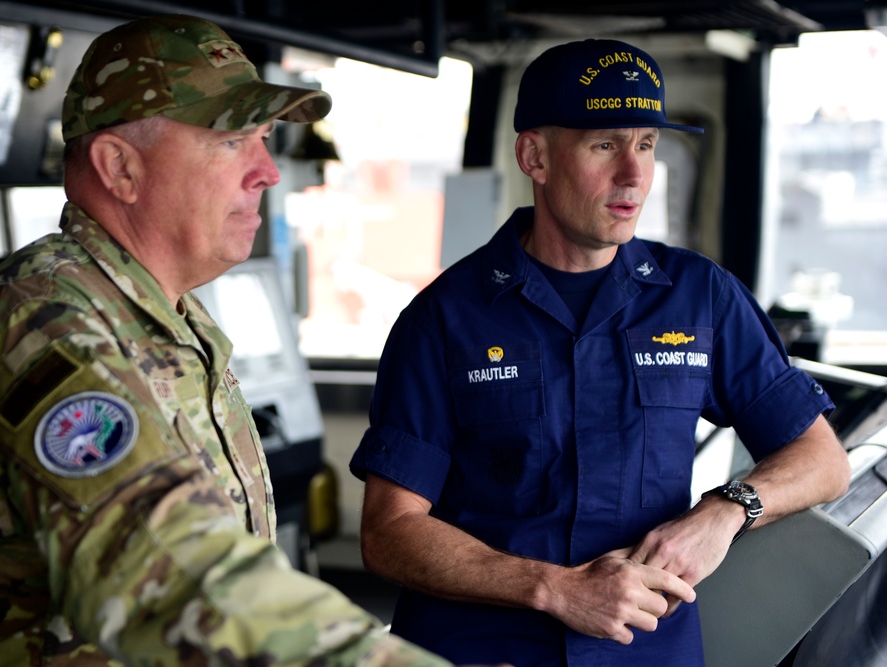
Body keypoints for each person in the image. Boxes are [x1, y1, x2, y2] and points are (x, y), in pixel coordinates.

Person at [0, 14, 459, 666]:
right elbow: (167, 573)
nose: (267, 171)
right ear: (119, 167)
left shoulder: (179, 321)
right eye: (232, 139)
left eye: (264, 138)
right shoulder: (47, 319)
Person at [349, 38, 852, 667]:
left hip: (643, 651)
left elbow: (821, 460)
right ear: (534, 155)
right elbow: (389, 533)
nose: (635, 175)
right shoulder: (444, 318)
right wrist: (554, 589)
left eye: (645, 144)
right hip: (485, 649)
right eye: (604, 144)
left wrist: (726, 511)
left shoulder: (701, 297)